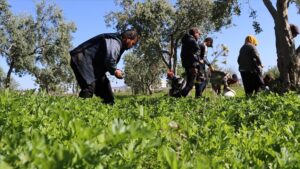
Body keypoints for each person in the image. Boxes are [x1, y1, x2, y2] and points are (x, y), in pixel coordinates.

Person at [70, 30, 139, 104]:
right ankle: (79, 111)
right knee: (89, 87)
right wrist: (115, 71)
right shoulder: (114, 42)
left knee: (106, 90)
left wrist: (115, 70)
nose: (132, 46)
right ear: (128, 39)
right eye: (133, 43)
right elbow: (110, 60)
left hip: (93, 66)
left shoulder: (118, 43)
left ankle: (109, 107)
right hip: (81, 60)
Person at [180, 27, 202, 97]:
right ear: (195, 33)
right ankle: (178, 96)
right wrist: (198, 60)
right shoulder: (191, 40)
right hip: (192, 64)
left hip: (188, 64)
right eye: (199, 34)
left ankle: (198, 97)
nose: (199, 35)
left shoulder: (186, 41)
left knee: (197, 81)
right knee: (190, 84)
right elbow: (197, 51)